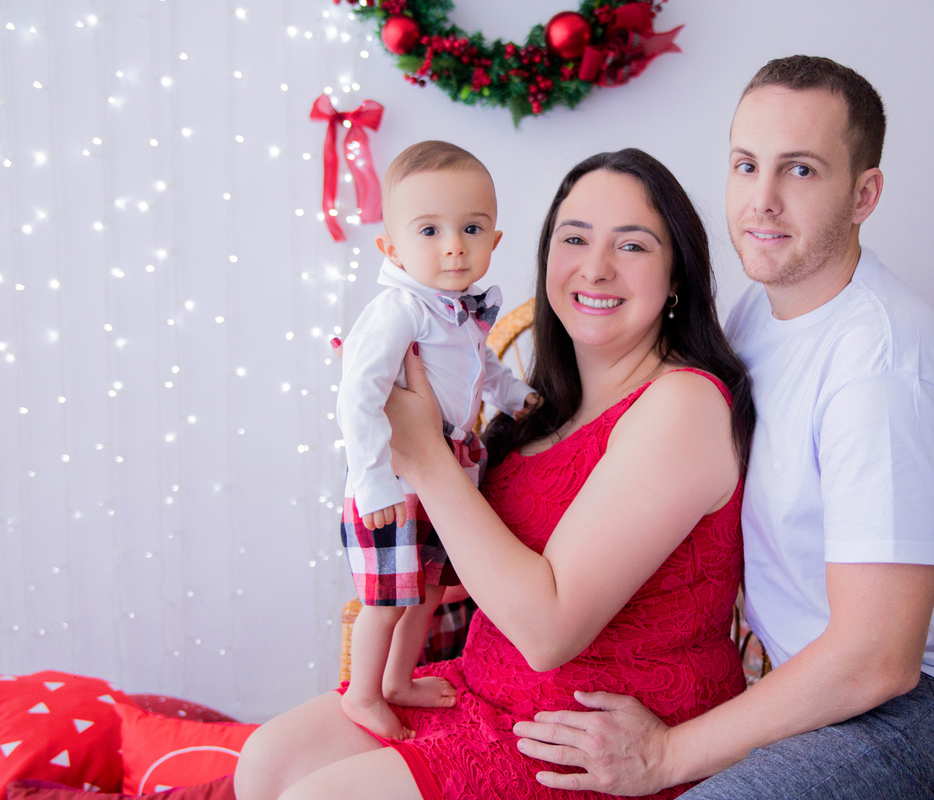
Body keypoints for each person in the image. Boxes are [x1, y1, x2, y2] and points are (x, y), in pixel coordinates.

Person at [512, 56, 934, 800]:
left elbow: (879, 658)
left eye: (799, 171)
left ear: (864, 195)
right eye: (745, 165)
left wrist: (666, 755)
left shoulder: (882, 366)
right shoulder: (758, 312)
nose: (760, 201)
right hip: (822, 683)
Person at [233, 147, 757, 800]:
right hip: (484, 682)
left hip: (591, 733)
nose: (595, 267)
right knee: (266, 762)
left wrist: (424, 454)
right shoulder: (541, 406)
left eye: (633, 246)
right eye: (574, 238)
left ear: (676, 274)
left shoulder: (683, 403)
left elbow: (547, 634)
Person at [336, 140, 538, 740]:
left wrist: (513, 397)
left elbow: (483, 369)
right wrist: (372, 481)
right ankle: (364, 694)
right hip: (391, 483)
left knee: (426, 593)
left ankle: (400, 680)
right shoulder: (400, 309)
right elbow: (357, 393)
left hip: (443, 479)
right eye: (429, 231)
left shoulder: (461, 311)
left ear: (494, 241)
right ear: (391, 248)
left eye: (471, 228)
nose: (453, 244)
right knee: (387, 600)